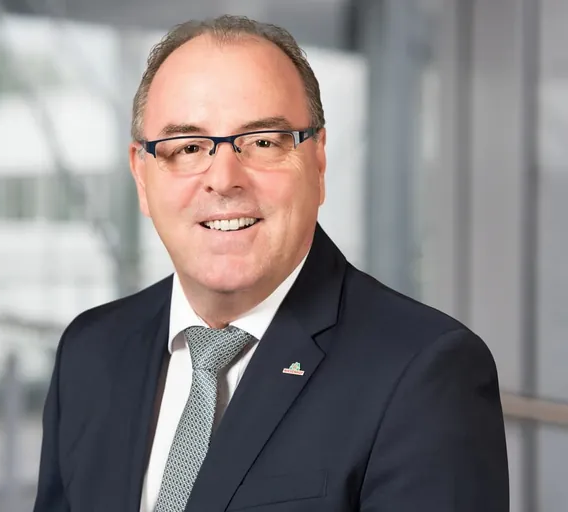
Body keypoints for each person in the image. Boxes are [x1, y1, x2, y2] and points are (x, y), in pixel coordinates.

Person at [33, 14, 509, 512]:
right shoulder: (90, 351)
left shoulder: (424, 373)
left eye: (263, 141)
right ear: (141, 175)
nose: (223, 179)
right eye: (188, 147)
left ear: (318, 161)